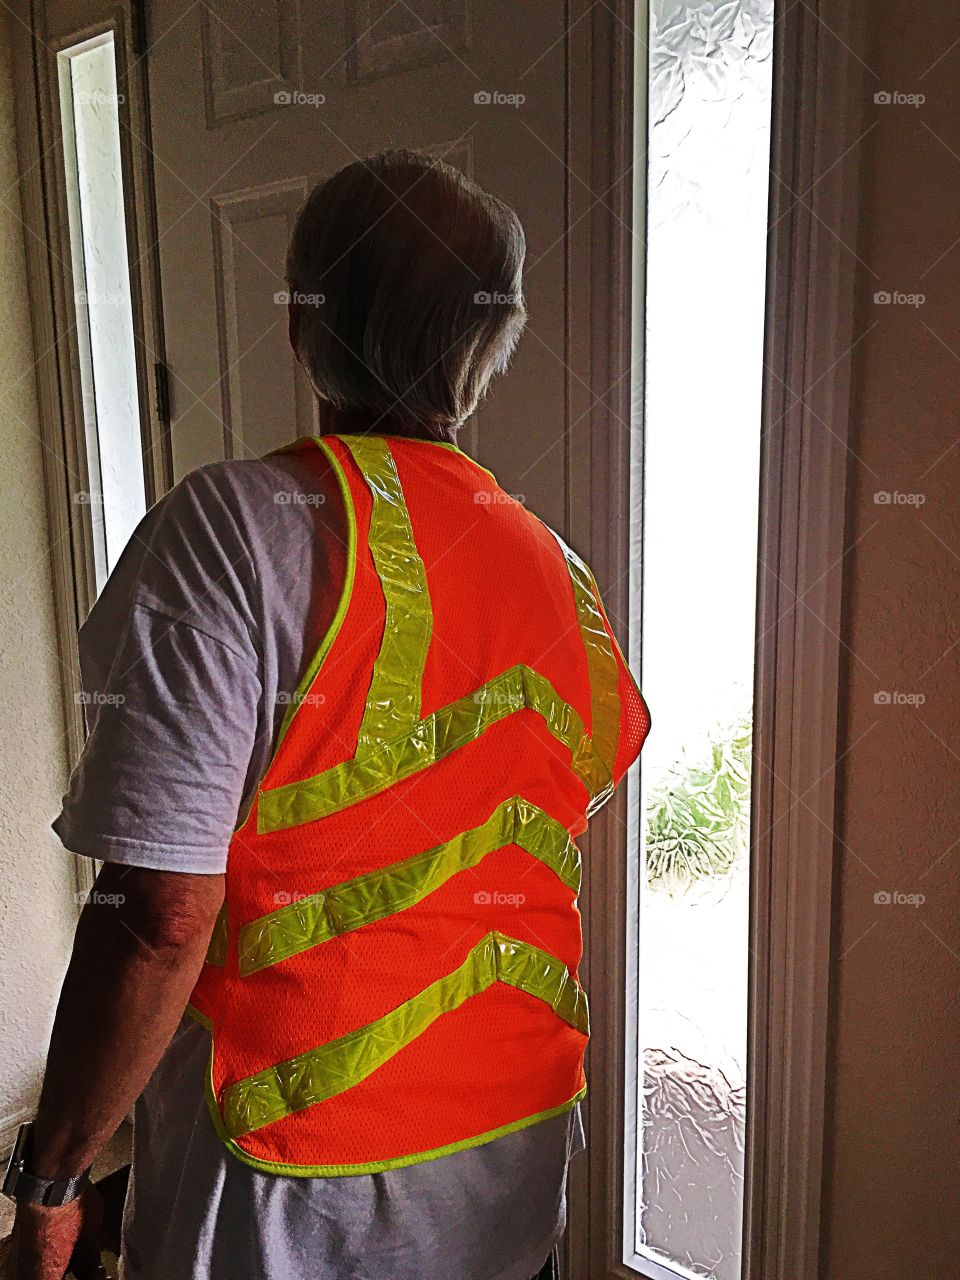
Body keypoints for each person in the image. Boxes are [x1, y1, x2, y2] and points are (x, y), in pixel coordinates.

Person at [6, 150, 650, 1280]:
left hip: (298, 1197)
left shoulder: (233, 531)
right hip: (513, 1162)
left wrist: (53, 1176)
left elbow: (159, 915)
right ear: (488, 350)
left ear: (303, 325)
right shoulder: (564, 576)